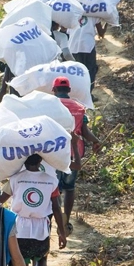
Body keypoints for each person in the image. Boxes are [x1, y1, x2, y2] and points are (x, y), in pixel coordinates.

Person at [0, 155, 63, 266]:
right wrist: (62, 232)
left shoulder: (15, 179)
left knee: (21, 260)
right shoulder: (51, 180)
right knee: (41, 258)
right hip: (41, 227)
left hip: (19, 227)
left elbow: (0, 200)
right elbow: (56, 207)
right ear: (41, 161)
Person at [51, 77, 103, 235]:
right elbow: (85, 132)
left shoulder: (49, 106)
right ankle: (66, 218)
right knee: (69, 188)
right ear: (69, 90)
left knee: (54, 189)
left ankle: (57, 219)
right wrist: (96, 141)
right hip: (74, 155)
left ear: (54, 90)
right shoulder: (80, 108)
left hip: (53, 154)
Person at [67, 14, 105, 89]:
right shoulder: (94, 14)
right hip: (88, 46)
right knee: (90, 71)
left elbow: (66, 31)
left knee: (76, 72)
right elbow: (101, 33)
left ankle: (77, 93)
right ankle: (88, 94)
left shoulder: (72, 13)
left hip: (73, 46)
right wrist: (108, 22)